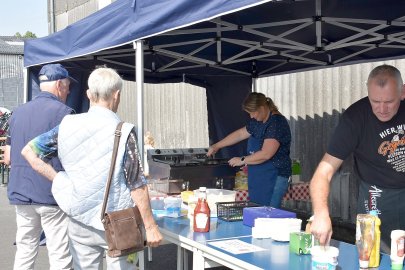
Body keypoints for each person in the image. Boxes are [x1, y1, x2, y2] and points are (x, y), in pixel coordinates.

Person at [21, 67, 163, 269]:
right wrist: (150, 226)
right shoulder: (123, 131)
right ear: (117, 95)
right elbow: (137, 184)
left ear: (88, 94)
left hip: (79, 220)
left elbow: (29, 151)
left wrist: (59, 179)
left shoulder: (67, 125)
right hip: (119, 221)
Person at [309, 64, 405, 252]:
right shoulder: (354, 118)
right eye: (375, 101)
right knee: (371, 254)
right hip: (376, 194)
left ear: (403, 92)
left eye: (389, 102)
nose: (382, 109)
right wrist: (321, 213)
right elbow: (324, 171)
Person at [3, 63, 74, 269]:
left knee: (25, 250)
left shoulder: (17, 113)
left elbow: (8, 157)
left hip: (21, 193)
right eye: (68, 86)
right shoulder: (65, 113)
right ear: (60, 85)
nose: (69, 91)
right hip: (51, 193)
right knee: (59, 253)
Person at [207, 92, 292, 207]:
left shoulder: (276, 123)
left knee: (268, 215)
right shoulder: (258, 122)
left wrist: (242, 159)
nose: (251, 116)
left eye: (253, 112)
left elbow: (266, 154)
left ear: (262, 107)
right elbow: (240, 134)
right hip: (259, 176)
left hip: (274, 176)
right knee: (257, 211)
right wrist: (217, 145)